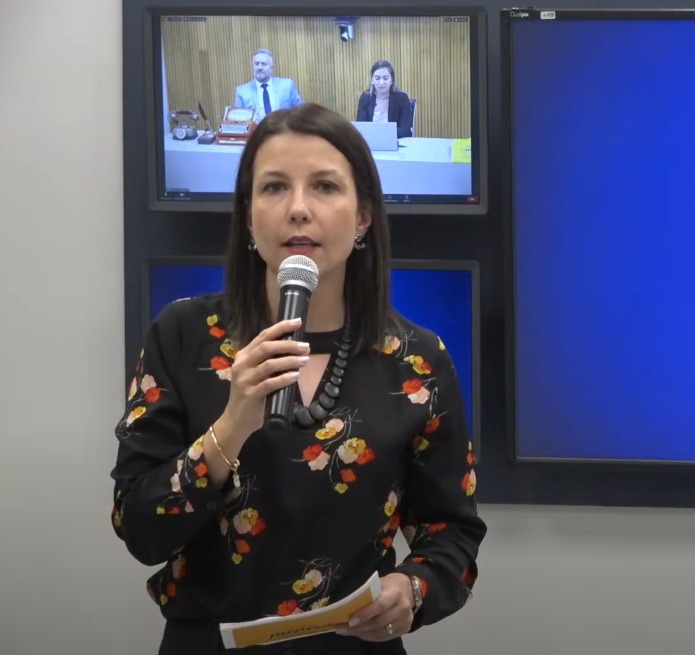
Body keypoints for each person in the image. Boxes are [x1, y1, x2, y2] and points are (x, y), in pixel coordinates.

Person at [109, 102, 485, 654]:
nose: (299, 210)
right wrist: (232, 424)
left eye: (325, 187)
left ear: (363, 217)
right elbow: (140, 530)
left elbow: (453, 531)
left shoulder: (418, 360)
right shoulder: (183, 334)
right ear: (248, 216)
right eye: (274, 187)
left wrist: (412, 589)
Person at [234, 49, 303, 122]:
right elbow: (238, 121)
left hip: (283, 128)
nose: (259, 67)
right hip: (257, 129)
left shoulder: (287, 85)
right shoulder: (242, 92)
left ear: (271, 68)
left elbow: (300, 112)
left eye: (263, 64)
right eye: (256, 64)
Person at [355, 60, 414, 139]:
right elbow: (361, 127)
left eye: (385, 78)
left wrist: (382, 136)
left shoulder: (402, 98)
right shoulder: (365, 97)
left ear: (391, 80)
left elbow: (405, 130)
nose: (381, 82)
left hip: (394, 141)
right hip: (370, 142)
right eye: (377, 78)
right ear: (372, 80)